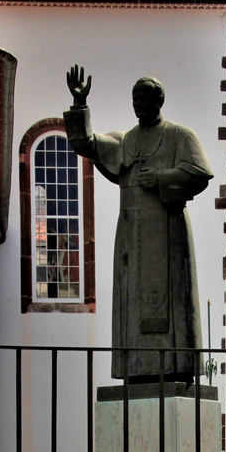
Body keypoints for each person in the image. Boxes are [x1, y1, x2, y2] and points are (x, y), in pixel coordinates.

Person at [64, 68, 213, 384]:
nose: (139, 104)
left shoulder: (179, 136)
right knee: (132, 302)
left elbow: (199, 173)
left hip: (168, 230)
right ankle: (136, 370)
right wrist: (80, 105)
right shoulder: (125, 141)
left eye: (145, 98)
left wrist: (161, 178)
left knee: (173, 300)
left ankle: (177, 367)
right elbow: (87, 144)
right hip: (132, 234)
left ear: (160, 100)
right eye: (135, 99)